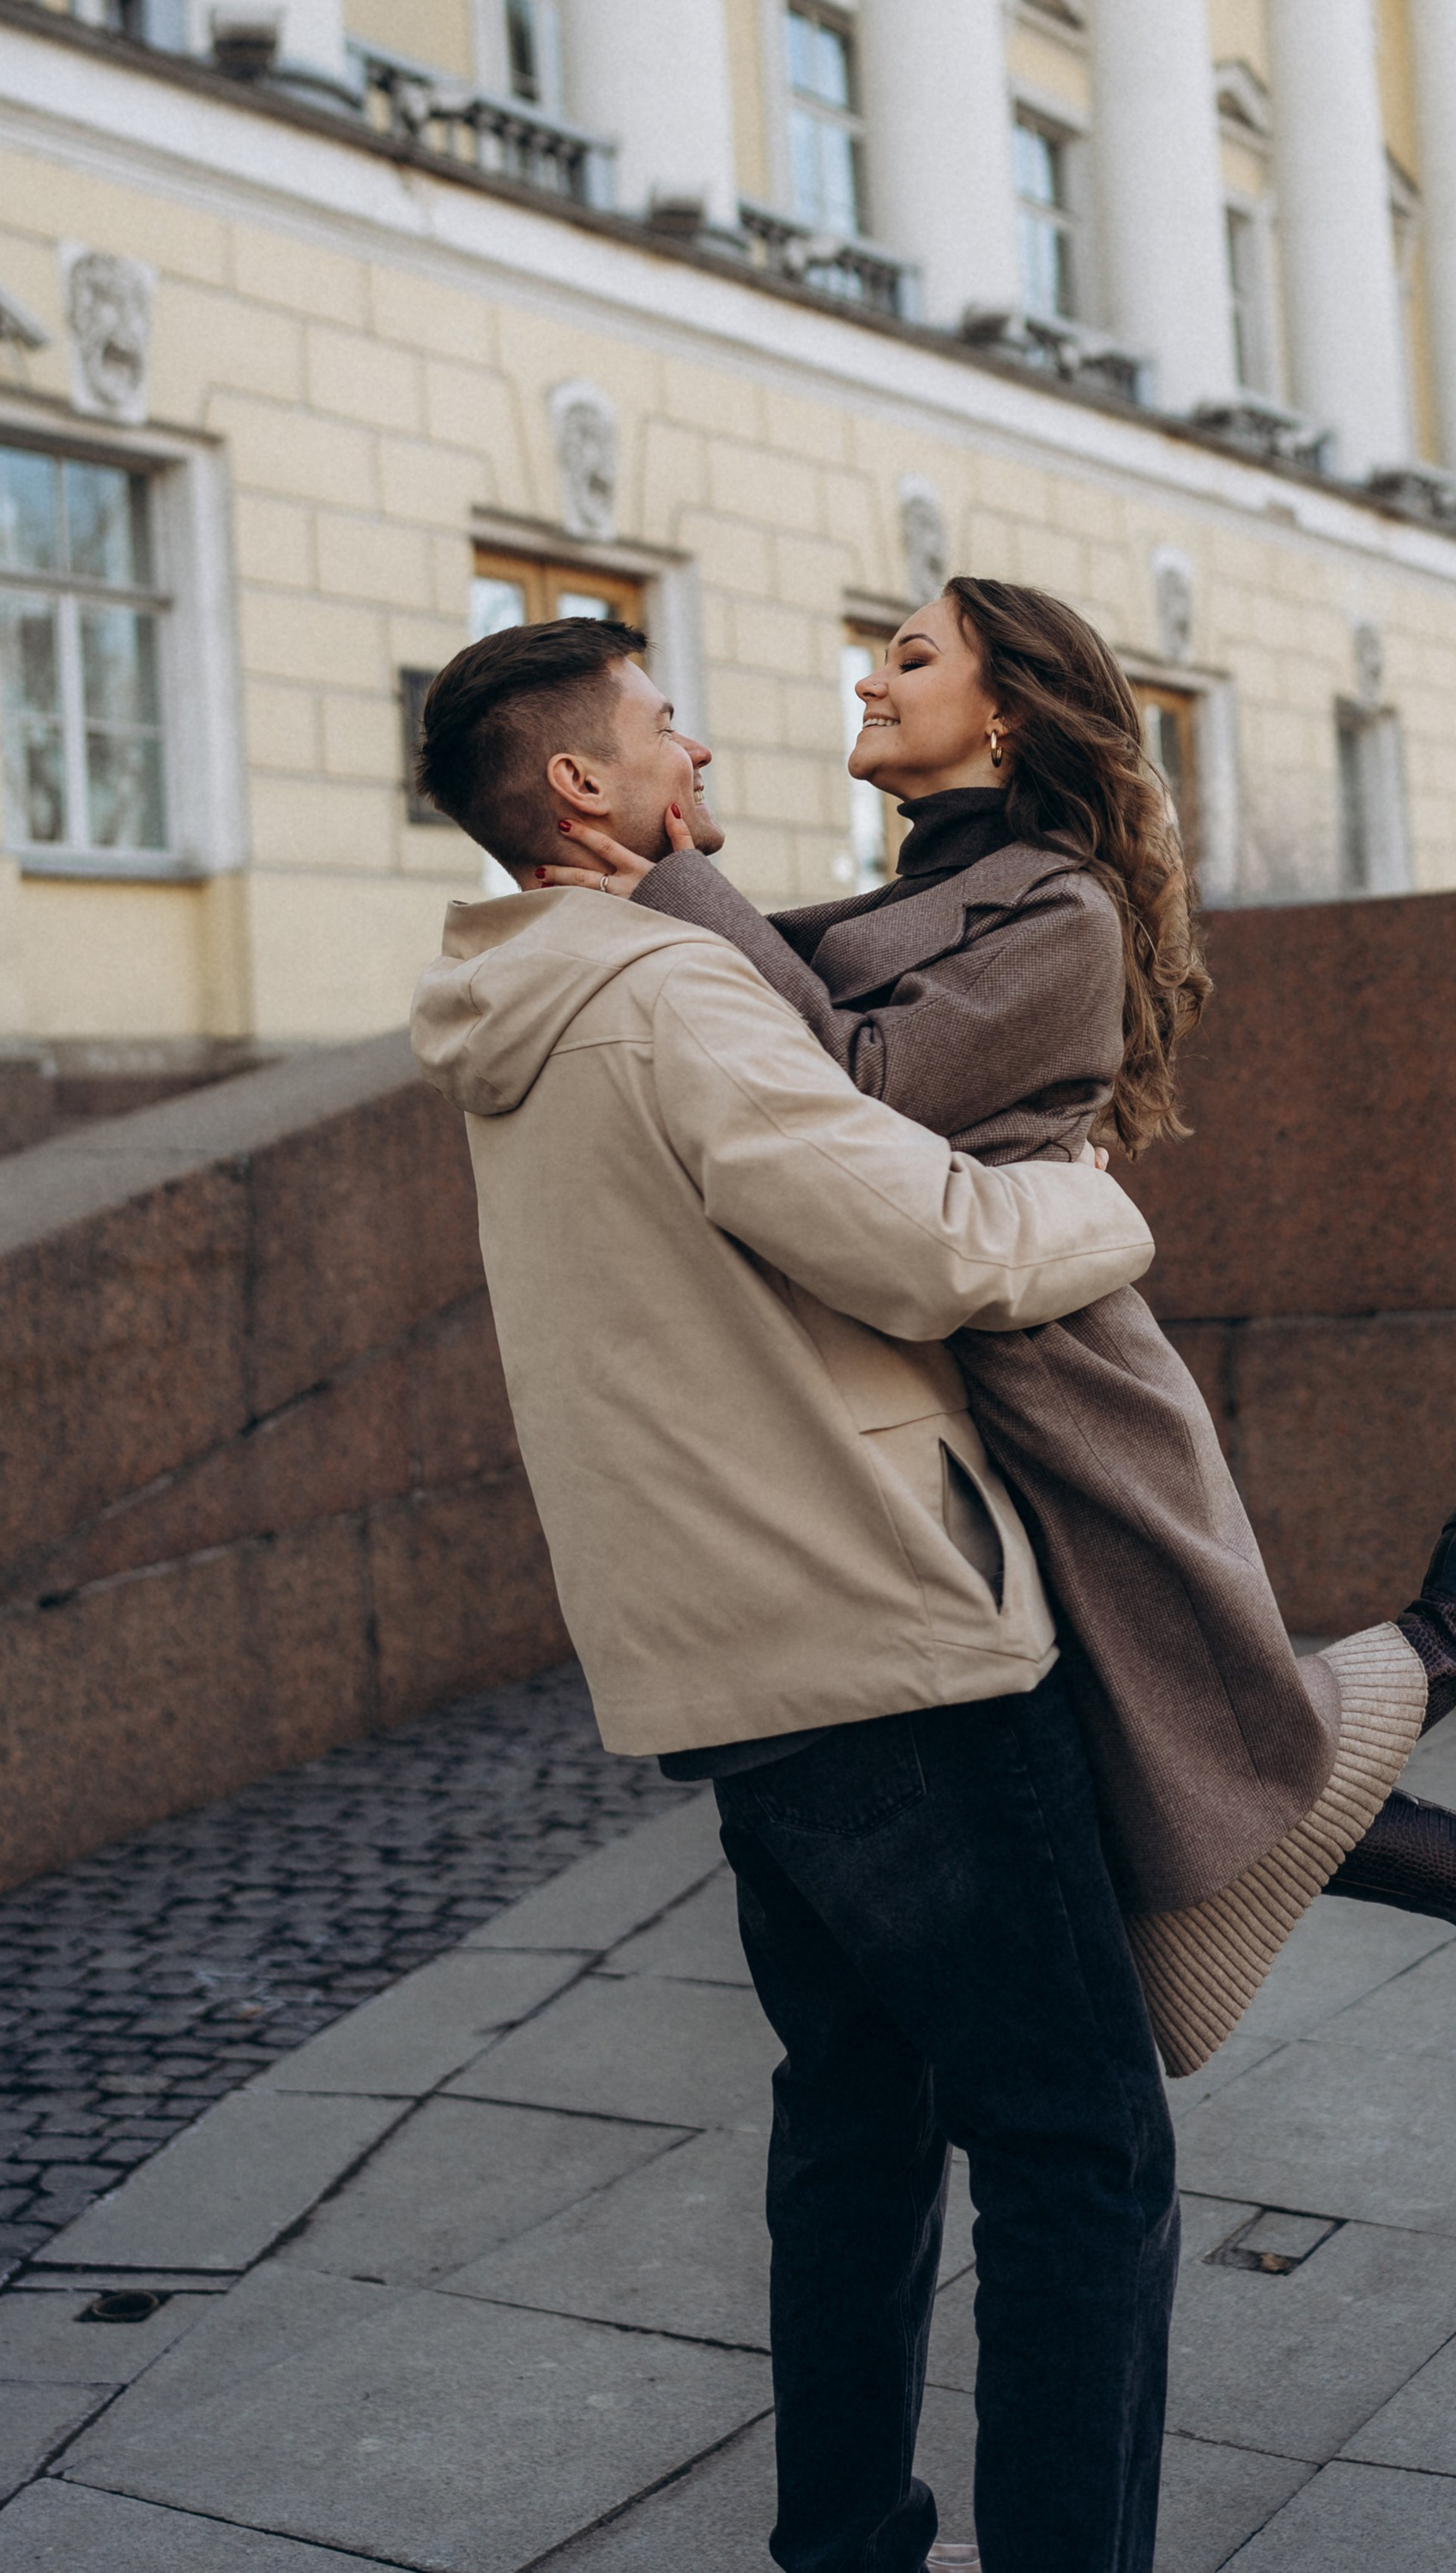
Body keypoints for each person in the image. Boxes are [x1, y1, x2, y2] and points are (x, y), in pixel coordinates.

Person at [537, 580, 1456, 2106]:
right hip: (956, 1392)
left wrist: (674, 891)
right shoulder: (913, 897)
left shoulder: (1057, 910)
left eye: (909, 658)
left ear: (1004, 711)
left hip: (1057, 1397)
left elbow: (861, 1082)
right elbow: (788, 1003)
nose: (869, 685)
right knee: (1177, 1791)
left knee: (1192, 1775)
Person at [410, 614, 1175, 2573]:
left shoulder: (523, 1008)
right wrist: (1095, 1198)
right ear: (582, 784)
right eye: (664, 724)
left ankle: (844, 2541)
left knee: (853, 2116)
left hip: (726, 1657)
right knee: (1077, 2143)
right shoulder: (667, 996)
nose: (700, 743)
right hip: (882, 1630)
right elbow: (917, 1241)